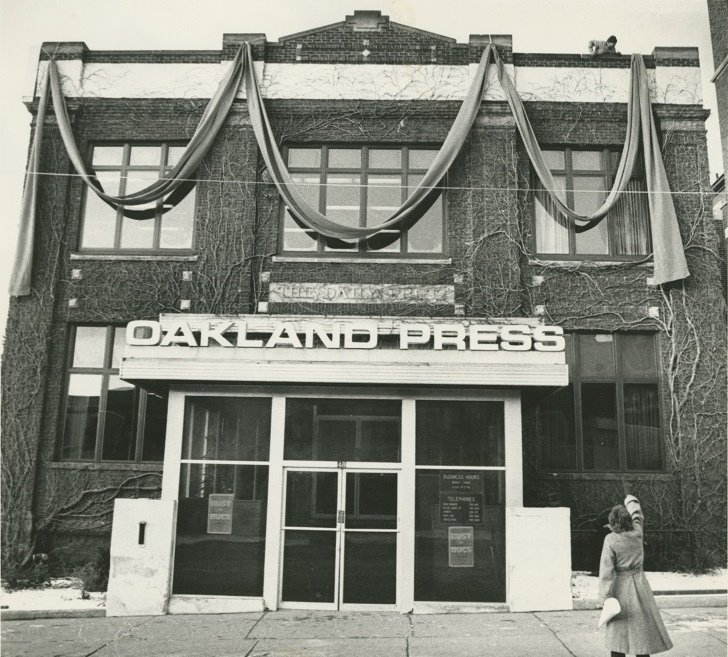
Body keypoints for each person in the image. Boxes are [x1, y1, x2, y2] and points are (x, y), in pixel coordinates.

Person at [598, 495, 673, 656]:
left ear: (612, 523)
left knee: (618, 637)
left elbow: (606, 571)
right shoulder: (637, 533)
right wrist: (630, 500)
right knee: (642, 634)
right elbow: (637, 516)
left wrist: (604, 597)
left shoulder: (611, 540)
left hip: (619, 588)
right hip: (640, 586)